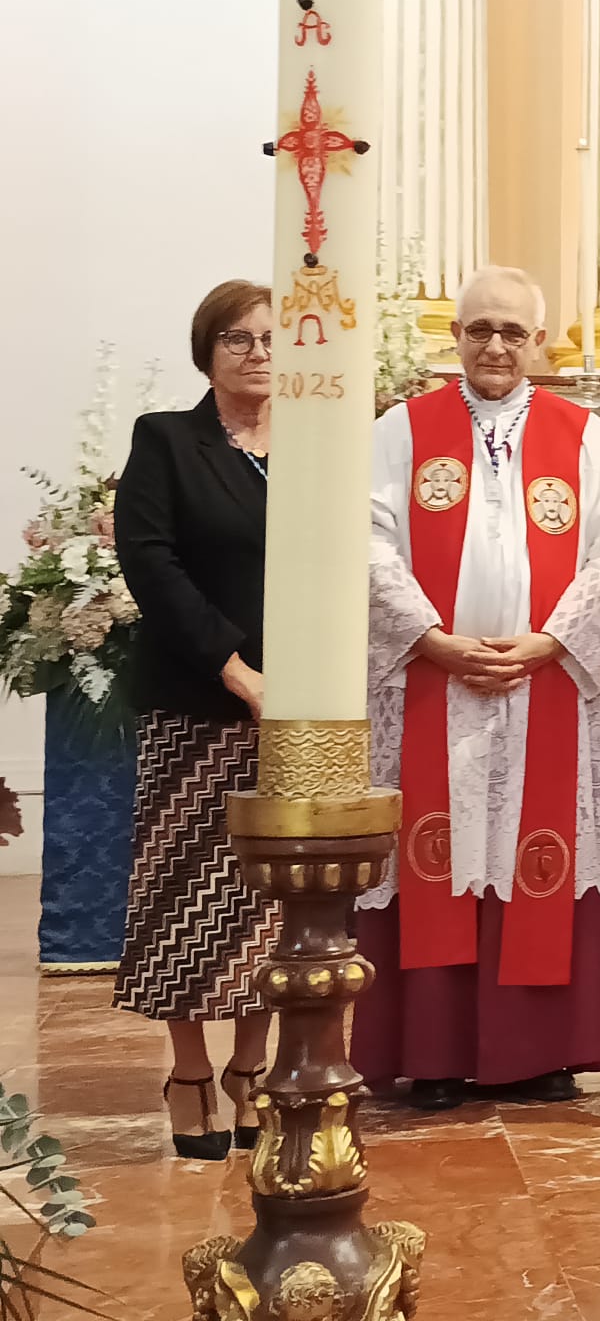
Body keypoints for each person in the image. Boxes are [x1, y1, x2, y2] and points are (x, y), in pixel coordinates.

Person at [351, 265, 600, 1110]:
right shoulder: (401, 431)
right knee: (436, 859)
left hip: (542, 682)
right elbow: (367, 543)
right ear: (455, 334)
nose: (495, 345)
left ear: (539, 342)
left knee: (537, 855)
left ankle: (540, 1051)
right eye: (480, 328)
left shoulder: (581, 433)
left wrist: (551, 641)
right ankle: (434, 1052)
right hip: (431, 685)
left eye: (513, 332)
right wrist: (430, 639)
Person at [112, 279, 282, 1159]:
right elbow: (151, 564)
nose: (257, 354)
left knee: (271, 902)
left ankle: (250, 1067)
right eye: (237, 339)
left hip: (296, 708)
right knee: (187, 899)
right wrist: (236, 669)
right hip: (198, 701)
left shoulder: (316, 451)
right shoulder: (168, 440)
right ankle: (188, 1071)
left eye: (270, 339)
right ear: (207, 352)